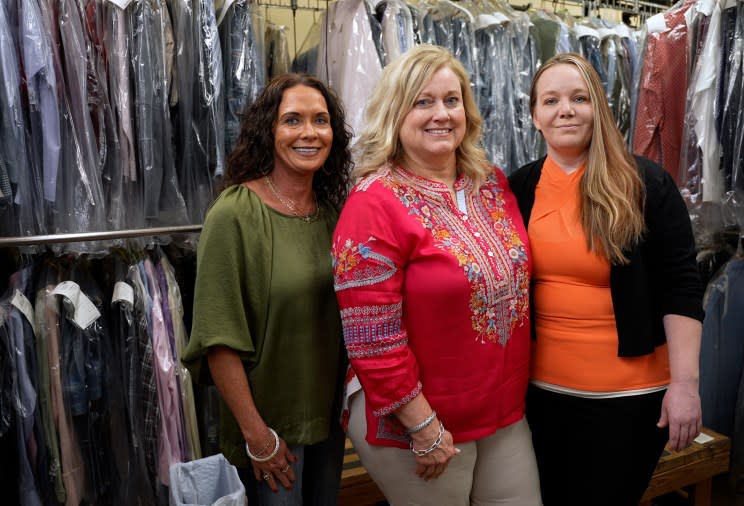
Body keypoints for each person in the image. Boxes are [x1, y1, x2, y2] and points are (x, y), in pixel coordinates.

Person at [331, 45, 541, 506]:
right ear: (395, 112)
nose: (441, 114)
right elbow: (372, 337)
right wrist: (422, 425)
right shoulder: (373, 203)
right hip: (418, 423)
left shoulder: (490, 183)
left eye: (452, 100)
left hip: (502, 411)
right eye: (423, 101)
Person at [508, 53, 705, 505]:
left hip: (629, 398)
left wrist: (685, 387)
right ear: (535, 115)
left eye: (580, 98)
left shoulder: (645, 184)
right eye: (551, 100)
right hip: (538, 398)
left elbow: (682, 289)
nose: (566, 110)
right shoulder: (517, 188)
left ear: (599, 107)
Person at [182, 73, 352, 505]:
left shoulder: (333, 215)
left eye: (321, 120)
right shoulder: (235, 214)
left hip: (328, 424)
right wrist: (257, 436)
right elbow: (218, 339)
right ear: (268, 131)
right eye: (292, 120)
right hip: (269, 435)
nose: (309, 133)